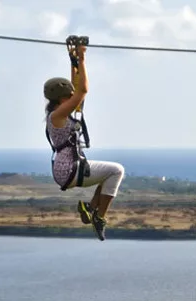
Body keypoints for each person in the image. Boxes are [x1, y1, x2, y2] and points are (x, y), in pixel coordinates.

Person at [43, 44, 125, 241]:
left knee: (107, 175)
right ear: (62, 99)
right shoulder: (58, 115)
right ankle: (100, 217)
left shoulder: (56, 113)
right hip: (70, 169)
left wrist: (74, 63)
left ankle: (90, 208)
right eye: (69, 97)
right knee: (117, 170)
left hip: (66, 168)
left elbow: (76, 89)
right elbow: (82, 91)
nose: (73, 98)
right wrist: (82, 59)